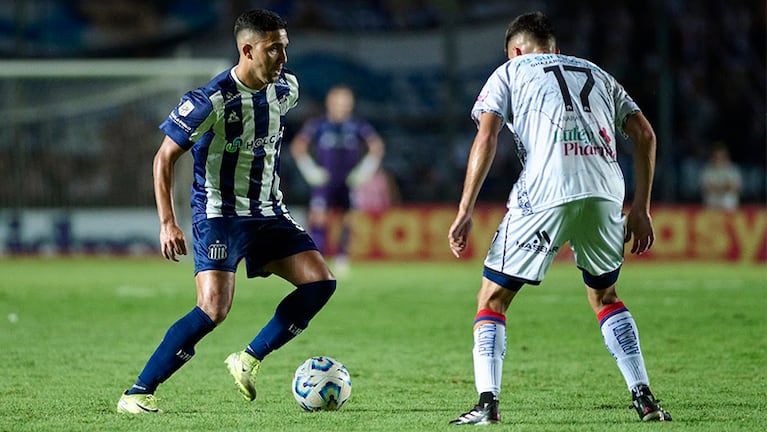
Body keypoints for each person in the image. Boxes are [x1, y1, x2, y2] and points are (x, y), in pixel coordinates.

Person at [447, 12, 671, 425]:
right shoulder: (596, 72)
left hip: (547, 188)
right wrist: (640, 208)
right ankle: (645, 398)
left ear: (516, 51)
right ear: (556, 51)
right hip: (607, 189)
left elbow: (487, 134)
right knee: (605, 296)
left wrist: (464, 210)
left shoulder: (509, 71)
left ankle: (487, 405)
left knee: (492, 299)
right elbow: (645, 134)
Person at [117, 9, 337, 414]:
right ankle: (137, 392)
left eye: (285, 48)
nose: (283, 59)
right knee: (213, 309)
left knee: (321, 283)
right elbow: (164, 158)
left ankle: (248, 359)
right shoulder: (210, 101)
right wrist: (168, 222)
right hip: (219, 215)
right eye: (274, 50)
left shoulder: (286, 89)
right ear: (247, 50)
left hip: (269, 212)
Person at [290, 84, 385, 275]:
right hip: (325, 182)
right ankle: (318, 260)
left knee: (347, 219)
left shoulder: (357, 125)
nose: (343, 106)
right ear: (330, 103)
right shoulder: (319, 125)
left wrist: (365, 170)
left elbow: (377, 146)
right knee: (319, 219)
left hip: (348, 182)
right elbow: (298, 146)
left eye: (347, 102)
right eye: (339, 101)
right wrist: (310, 170)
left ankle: (342, 258)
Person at [700, 142, 742, 210]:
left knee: (728, 199)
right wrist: (724, 187)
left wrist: (718, 187)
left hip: (728, 204)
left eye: (721, 156)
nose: (719, 159)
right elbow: (706, 187)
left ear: (726, 156)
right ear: (712, 157)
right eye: (716, 156)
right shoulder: (707, 169)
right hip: (712, 202)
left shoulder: (733, 169)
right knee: (710, 198)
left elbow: (735, 187)